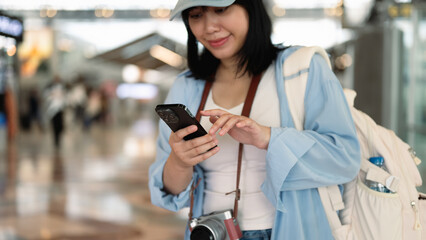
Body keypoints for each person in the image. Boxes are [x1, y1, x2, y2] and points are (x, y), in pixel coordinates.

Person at [149, 0, 361, 239]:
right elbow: (169, 194)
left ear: (251, 7)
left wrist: (268, 137)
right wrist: (180, 162)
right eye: (196, 15)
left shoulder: (303, 68)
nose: (208, 27)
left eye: (221, 10)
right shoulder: (186, 85)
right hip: (210, 232)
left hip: (292, 230)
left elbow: (345, 158)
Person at [44, 75, 67, 149]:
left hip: (60, 110)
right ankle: (56, 141)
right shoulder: (50, 88)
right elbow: (47, 97)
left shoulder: (62, 88)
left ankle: (58, 139)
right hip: (53, 110)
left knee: (60, 126)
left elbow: (64, 98)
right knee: (54, 126)